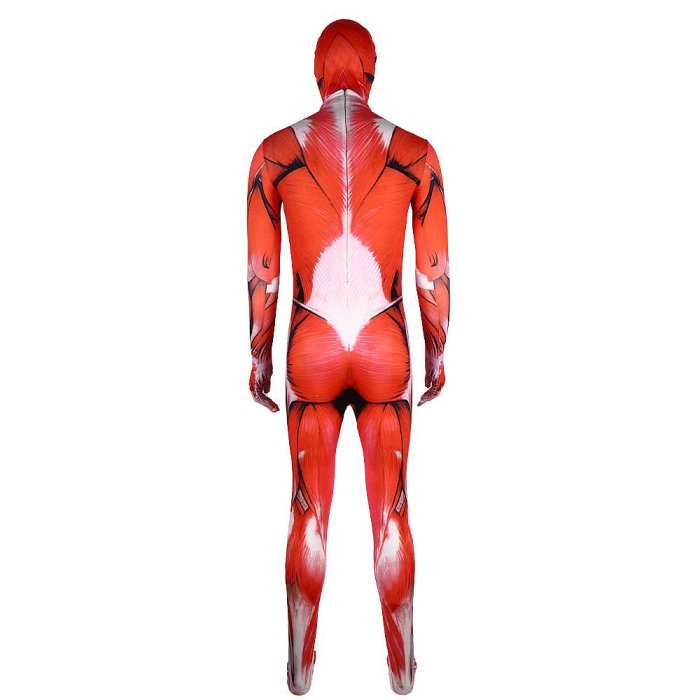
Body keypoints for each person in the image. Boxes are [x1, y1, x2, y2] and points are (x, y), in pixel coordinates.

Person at [246, 18, 450, 695]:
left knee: (307, 512)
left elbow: (263, 272)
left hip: (312, 345)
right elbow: (433, 271)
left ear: (316, 73)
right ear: (372, 71)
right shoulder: (416, 153)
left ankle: (299, 668)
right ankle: (402, 667)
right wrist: (438, 347)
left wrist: (259, 354)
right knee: (392, 513)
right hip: (385, 342)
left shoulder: (274, 153)